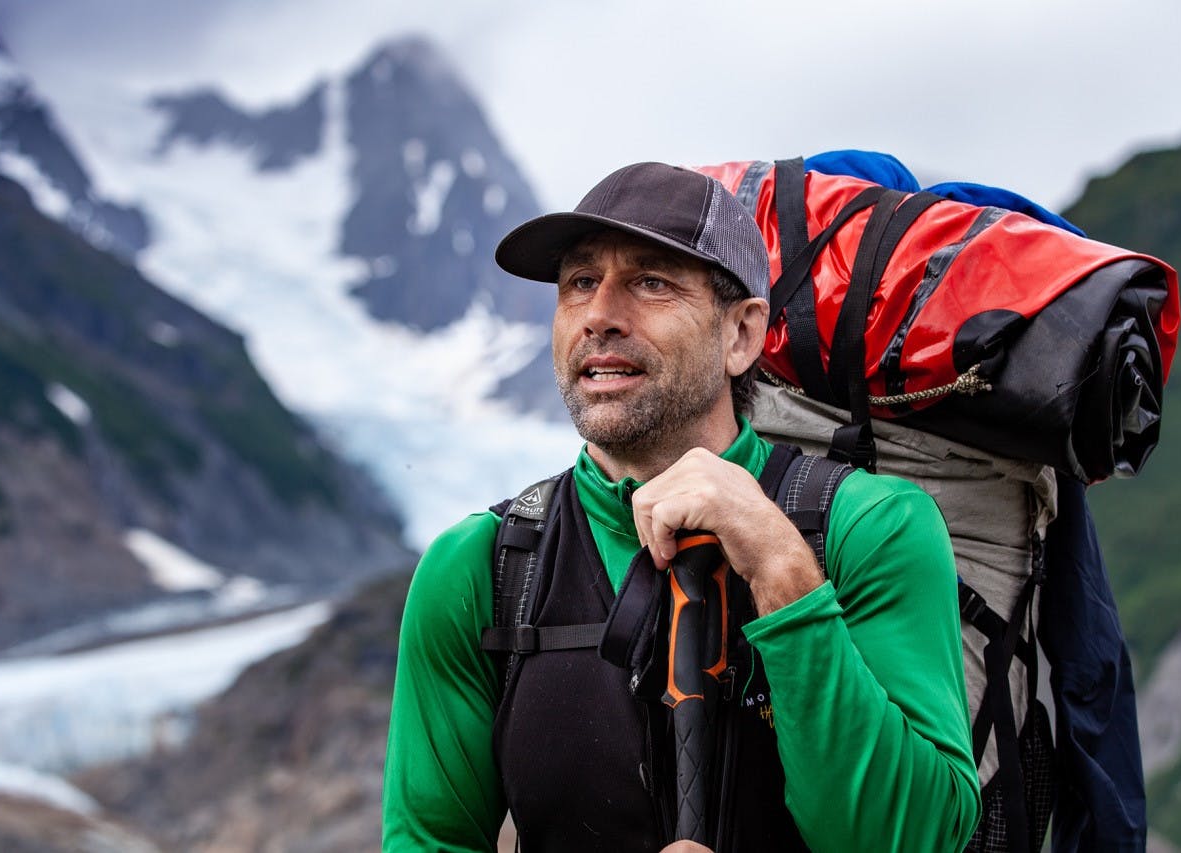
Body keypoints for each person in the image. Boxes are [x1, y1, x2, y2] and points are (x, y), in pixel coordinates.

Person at [382, 162, 980, 852]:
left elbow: (918, 839)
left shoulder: (868, 528)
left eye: (651, 282)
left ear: (742, 335)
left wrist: (784, 570)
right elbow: (429, 840)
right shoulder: (481, 570)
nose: (600, 316)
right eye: (580, 282)